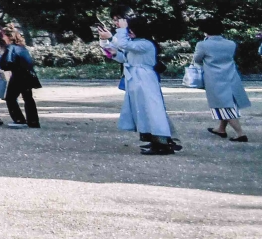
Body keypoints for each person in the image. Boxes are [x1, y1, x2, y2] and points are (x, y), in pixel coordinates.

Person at [104, 16, 179, 155]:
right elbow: (126, 56)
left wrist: (121, 30)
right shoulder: (136, 43)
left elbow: (125, 45)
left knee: (152, 109)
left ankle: (162, 142)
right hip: (135, 78)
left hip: (145, 78)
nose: (129, 32)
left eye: (131, 30)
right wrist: (114, 54)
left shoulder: (146, 44)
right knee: (143, 110)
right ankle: (154, 139)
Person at [192, 22, 251, 142]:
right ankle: (221, 129)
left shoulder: (203, 44)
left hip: (214, 77)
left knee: (223, 105)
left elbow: (197, 59)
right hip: (231, 75)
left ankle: (240, 133)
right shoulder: (230, 44)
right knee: (228, 102)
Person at [0, 28, 41, 128]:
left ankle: (19, 119)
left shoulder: (11, 48)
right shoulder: (22, 47)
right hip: (28, 75)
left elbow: (5, 64)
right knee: (28, 98)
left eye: (4, 35)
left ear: (8, 37)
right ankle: (33, 121)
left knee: (10, 98)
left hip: (18, 75)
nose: (2, 37)